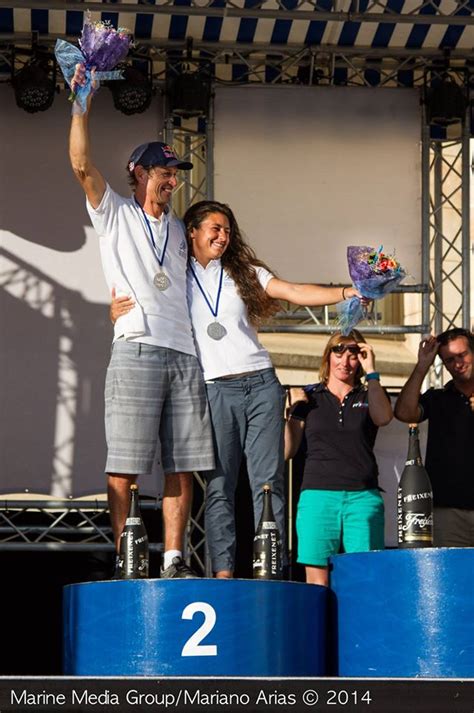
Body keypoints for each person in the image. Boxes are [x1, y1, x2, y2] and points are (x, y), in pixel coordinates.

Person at [111, 200, 365, 579]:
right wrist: (113, 311)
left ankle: (271, 569)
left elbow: (293, 290)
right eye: (215, 227)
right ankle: (224, 574)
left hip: (261, 383)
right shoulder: (174, 277)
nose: (223, 235)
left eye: (228, 229)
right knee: (219, 488)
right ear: (192, 231)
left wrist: (349, 291)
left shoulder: (244, 272)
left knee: (268, 483)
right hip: (214, 390)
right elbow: (141, 300)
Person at [68, 64, 215, 579]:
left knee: (182, 463)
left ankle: (173, 557)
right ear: (139, 172)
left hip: (185, 354)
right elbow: (81, 164)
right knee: (126, 461)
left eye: (174, 173)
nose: (171, 180)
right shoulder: (113, 213)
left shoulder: (183, 228)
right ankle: (128, 552)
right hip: (135, 345)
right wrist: (80, 102)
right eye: (162, 171)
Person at [285, 330, 393, 586]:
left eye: (353, 353)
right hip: (317, 497)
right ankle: (320, 628)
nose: (345, 361)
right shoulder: (308, 396)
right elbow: (287, 451)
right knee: (317, 582)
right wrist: (291, 413)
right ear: (328, 356)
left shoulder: (370, 394)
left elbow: (383, 418)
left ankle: (359, 628)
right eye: (339, 351)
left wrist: (372, 372)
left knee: (364, 578)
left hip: (362, 498)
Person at [394, 328, 474, 547]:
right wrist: (422, 366)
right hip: (448, 512)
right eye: (449, 360)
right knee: (454, 578)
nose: (458, 363)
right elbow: (404, 412)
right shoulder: (438, 398)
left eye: (462, 355)